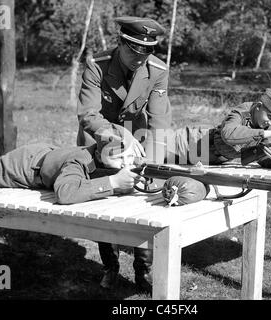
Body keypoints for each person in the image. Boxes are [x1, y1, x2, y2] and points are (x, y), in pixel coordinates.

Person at [77, 16, 172, 293]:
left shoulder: (157, 70)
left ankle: (144, 270)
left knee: (145, 196)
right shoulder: (98, 64)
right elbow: (88, 115)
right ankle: (110, 266)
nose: (139, 58)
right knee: (104, 198)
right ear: (121, 43)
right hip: (100, 135)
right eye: (133, 50)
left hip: (139, 137)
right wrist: (120, 136)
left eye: (147, 52)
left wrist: (153, 168)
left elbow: (159, 122)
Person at [0, 126, 144, 205]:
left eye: (128, 158)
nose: (125, 164)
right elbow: (65, 194)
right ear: (99, 153)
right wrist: (113, 181)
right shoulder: (78, 162)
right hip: (20, 168)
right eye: (119, 158)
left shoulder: (100, 159)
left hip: (41, 155)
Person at [166, 88, 271, 168]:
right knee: (150, 155)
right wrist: (270, 134)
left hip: (201, 160)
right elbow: (228, 134)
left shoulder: (262, 127)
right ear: (258, 106)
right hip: (184, 144)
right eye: (270, 117)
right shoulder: (242, 113)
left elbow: (259, 157)